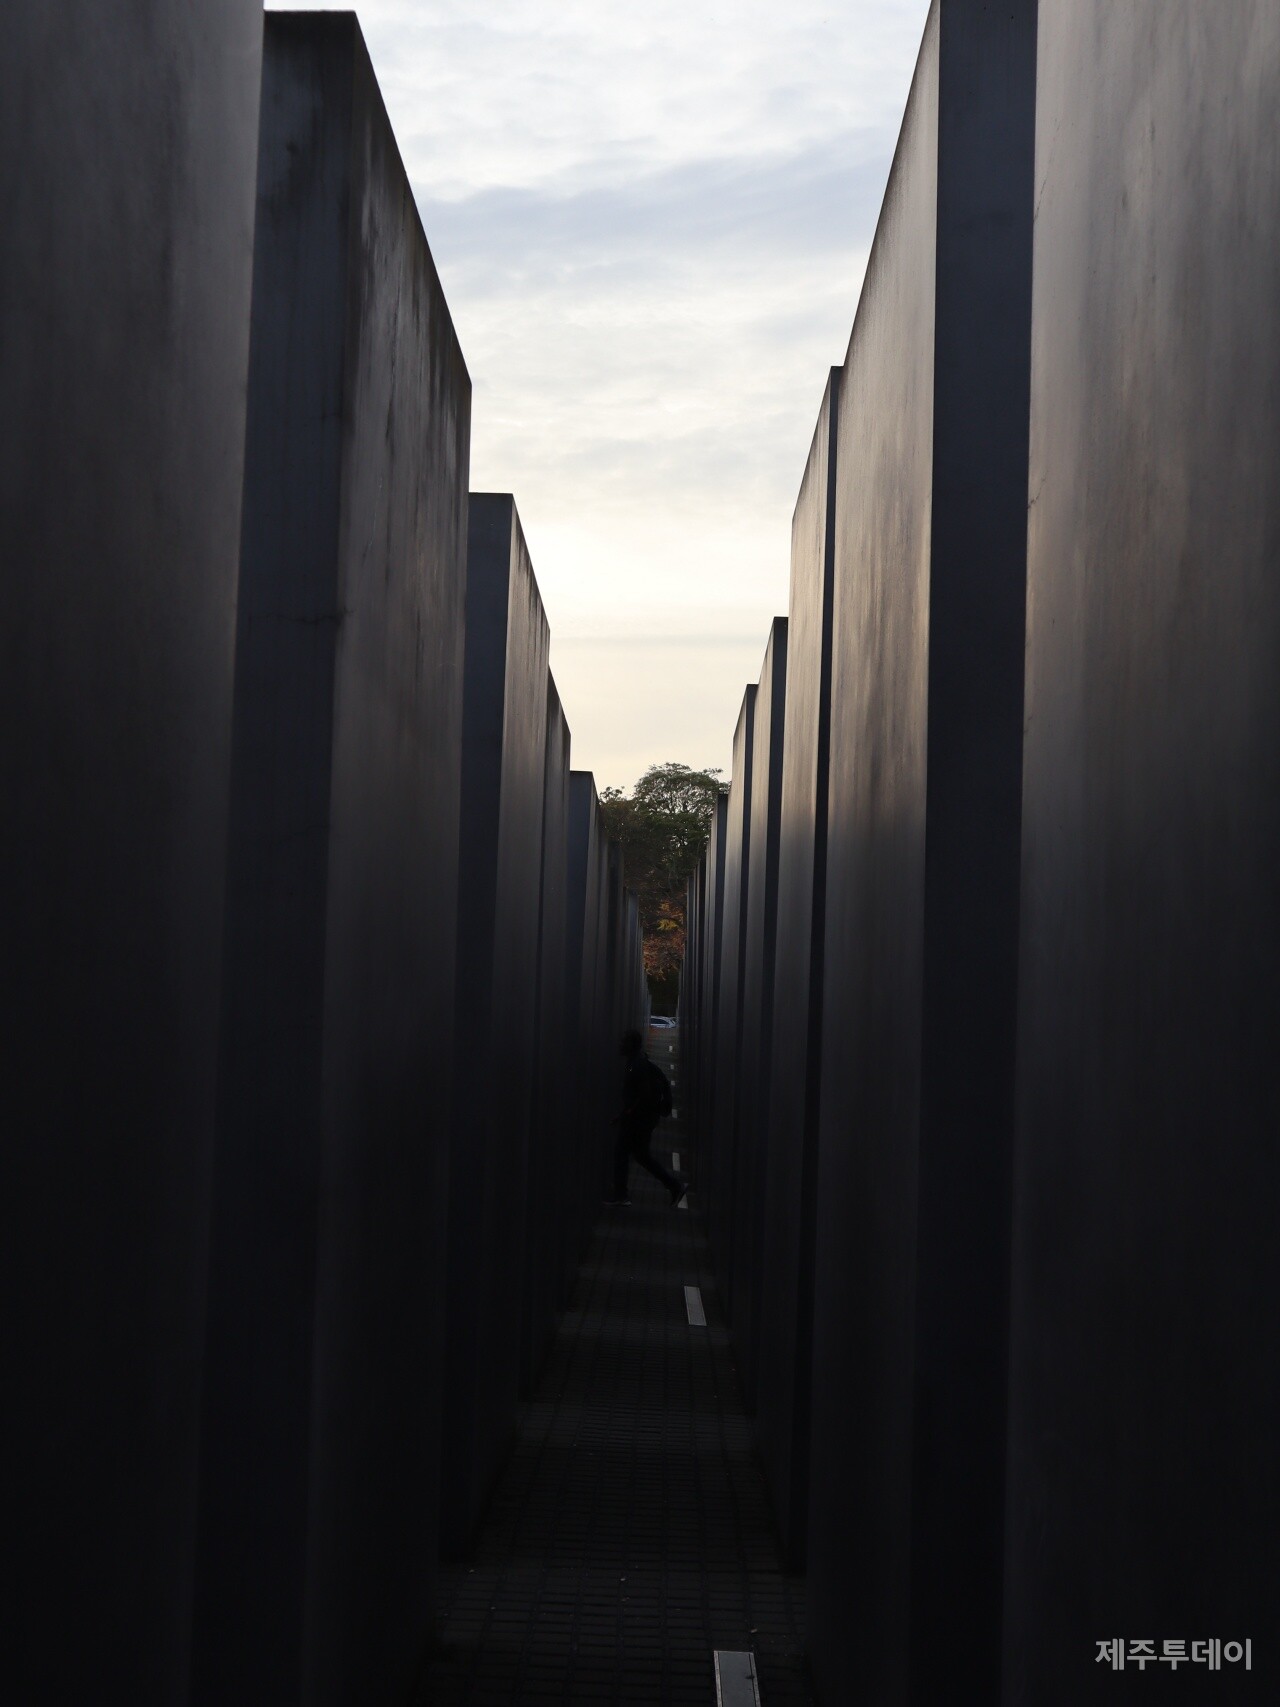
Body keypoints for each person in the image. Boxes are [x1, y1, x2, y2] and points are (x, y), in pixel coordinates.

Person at [607, 1029, 687, 1207]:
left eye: (624, 1042)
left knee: (621, 1152)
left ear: (631, 1046)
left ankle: (621, 1194)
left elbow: (644, 1094)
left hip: (638, 1121)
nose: (620, 1045)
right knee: (642, 1156)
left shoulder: (638, 1066)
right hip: (642, 1119)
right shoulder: (636, 1063)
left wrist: (628, 1114)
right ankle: (674, 1186)